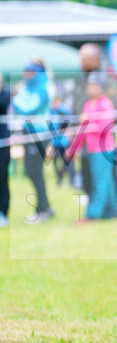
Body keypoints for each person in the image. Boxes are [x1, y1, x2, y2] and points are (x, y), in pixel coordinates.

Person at [67, 73, 117, 221]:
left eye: (94, 86)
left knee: (101, 181)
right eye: (89, 86)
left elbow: (105, 127)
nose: (91, 89)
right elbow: (83, 130)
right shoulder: (88, 105)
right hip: (92, 148)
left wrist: (90, 123)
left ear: (101, 88)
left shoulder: (106, 104)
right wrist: (74, 148)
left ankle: (92, 214)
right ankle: (110, 211)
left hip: (104, 149)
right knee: (105, 180)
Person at [13, 60, 55, 224]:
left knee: (34, 172)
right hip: (28, 133)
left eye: (30, 71)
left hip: (39, 135)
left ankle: (43, 209)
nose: (26, 74)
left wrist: (17, 100)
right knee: (32, 172)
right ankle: (45, 207)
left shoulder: (43, 88)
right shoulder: (28, 87)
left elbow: (26, 108)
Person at [48, 93, 74, 186]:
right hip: (55, 141)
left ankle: (72, 179)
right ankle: (60, 178)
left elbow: (69, 124)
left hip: (65, 141)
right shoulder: (51, 112)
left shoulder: (64, 111)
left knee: (67, 161)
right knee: (55, 161)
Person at [0, 72, 10, 228]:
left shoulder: (5, 93)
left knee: (2, 177)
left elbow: (2, 104)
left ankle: (2, 212)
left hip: (3, 142)